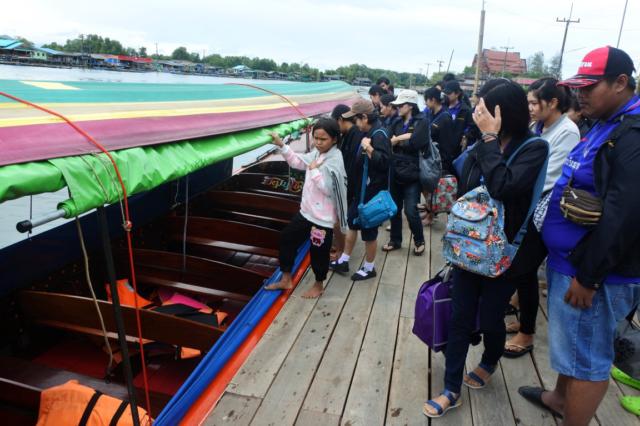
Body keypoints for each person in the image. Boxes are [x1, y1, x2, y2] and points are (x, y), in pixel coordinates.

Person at [519, 46, 640, 426]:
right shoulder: (605, 121)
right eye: (578, 87)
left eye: (589, 87)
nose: (580, 95)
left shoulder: (633, 134)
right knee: (572, 346)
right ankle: (559, 398)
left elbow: (625, 216)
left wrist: (589, 277)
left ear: (620, 83)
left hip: (594, 275)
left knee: (587, 358)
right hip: (569, 262)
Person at [424, 80, 548, 418]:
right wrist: (482, 142)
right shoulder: (482, 142)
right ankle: (451, 388)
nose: (476, 112)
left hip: (505, 252)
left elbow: (503, 187)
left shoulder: (534, 148)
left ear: (502, 112)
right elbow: (466, 184)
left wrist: (490, 140)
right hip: (469, 247)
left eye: (483, 107)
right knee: (461, 316)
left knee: (492, 317)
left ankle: (490, 359)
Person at [503, 77, 580, 358]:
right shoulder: (539, 127)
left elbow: (551, 177)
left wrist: (514, 183)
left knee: (524, 270)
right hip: (529, 208)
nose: (530, 108)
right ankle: (523, 319)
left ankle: (527, 334)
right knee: (521, 270)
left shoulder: (567, 132)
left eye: (534, 103)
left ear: (553, 102)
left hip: (546, 213)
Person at [265, 118, 348, 298]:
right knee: (287, 238)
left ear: (334, 139)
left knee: (319, 252)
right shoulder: (317, 154)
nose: (318, 142)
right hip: (306, 212)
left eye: (323, 139)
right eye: (316, 138)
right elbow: (297, 162)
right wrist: (282, 146)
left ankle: (319, 285)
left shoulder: (335, 159)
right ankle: (286, 278)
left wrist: (314, 171)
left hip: (322, 219)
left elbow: (329, 190)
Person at [330, 99, 391, 280]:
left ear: (364, 117)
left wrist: (368, 148)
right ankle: (344, 259)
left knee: (369, 231)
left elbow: (384, 162)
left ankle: (369, 268)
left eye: (356, 119)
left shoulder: (379, 134)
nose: (355, 123)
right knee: (352, 222)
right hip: (361, 190)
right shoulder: (368, 132)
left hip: (371, 192)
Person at [382, 89, 428, 255]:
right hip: (395, 170)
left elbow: (417, 143)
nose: (398, 108)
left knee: (410, 210)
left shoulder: (422, 121)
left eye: (401, 105)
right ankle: (395, 240)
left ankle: (419, 240)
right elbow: (387, 140)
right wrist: (404, 138)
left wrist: (398, 139)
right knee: (394, 209)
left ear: (410, 106)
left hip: (412, 173)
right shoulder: (396, 121)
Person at [424, 87, 455, 174]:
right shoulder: (430, 113)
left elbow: (447, 144)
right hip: (431, 157)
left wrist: (443, 164)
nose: (425, 103)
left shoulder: (445, 117)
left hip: (439, 161)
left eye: (426, 100)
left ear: (433, 100)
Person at [444, 80, 473, 160]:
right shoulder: (442, 107)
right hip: (442, 148)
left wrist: (466, 135)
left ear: (457, 94)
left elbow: (471, 126)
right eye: (445, 93)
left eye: (449, 93)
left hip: (457, 150)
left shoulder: (465, 110)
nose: (446, 95)